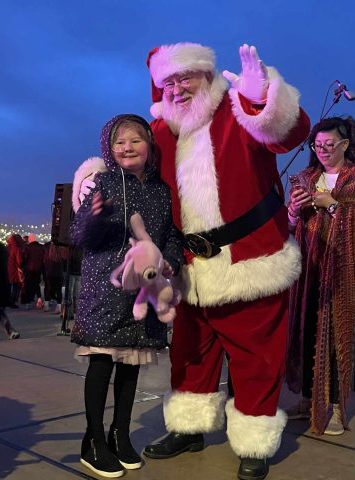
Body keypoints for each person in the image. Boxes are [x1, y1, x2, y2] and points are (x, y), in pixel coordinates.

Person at [74, 43, 310, 480]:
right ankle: (189, 427)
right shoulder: (160, 132)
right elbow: (130, 172)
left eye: (186, 78)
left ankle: (253, 442)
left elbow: (289, 133)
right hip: (186, 266)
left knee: (256, 356)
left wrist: (263, 96)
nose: (177, 88)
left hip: (249, 261)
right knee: (191, 354)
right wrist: (90, 182)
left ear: (207, 76)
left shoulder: (239, 109)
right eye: (168, 82)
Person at [70, 114, 183, 478]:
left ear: (149, 146)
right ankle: (93, 440)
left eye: (135, 140)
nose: (127, 148)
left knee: (131, 366)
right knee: (102, 363)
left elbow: (171, 235)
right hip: (105, 285)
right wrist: (95, 218)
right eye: (120, 142)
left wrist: (171, 261)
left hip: (144, 291)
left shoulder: (162, 191)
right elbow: (79, 234)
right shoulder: (100, 182)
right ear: (110, 147)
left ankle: (120, 434)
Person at [285, 117, 355, 436]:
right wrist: (294, 212)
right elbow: (290, 227)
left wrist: (333, 205)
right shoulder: (305, 177)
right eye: (318, 145)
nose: (323, 151)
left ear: (345, 145)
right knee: (307, 331)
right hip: (308, 271)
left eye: (329, 145)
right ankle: (310, 399)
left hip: (341, 271)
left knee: (338, 336)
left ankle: (337, 408)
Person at [21, 233, 45, 308]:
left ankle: (28, 302)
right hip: (38, 269)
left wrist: (22, 266)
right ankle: (39, 298)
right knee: (36, 284)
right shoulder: (41, 247)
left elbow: (25, 258)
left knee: (28, 285)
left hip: (29, 269)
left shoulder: (27, 247)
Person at [43, 240, 67, 313]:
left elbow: (45, 261)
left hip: (50, 272)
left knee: (49, 289)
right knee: (59, 290)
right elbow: (65, 261)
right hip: (60, 273)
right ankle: (59, 307)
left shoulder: (49, 251)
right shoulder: (62, 252)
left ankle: (46, 305)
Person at [6, 233, 25, 308]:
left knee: (9, 286)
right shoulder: (17, 248)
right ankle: (12, 302)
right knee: (15, 286)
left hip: (7, 269)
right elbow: (19, 261)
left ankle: (7, 301)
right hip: (14, 270)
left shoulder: (7, 247)